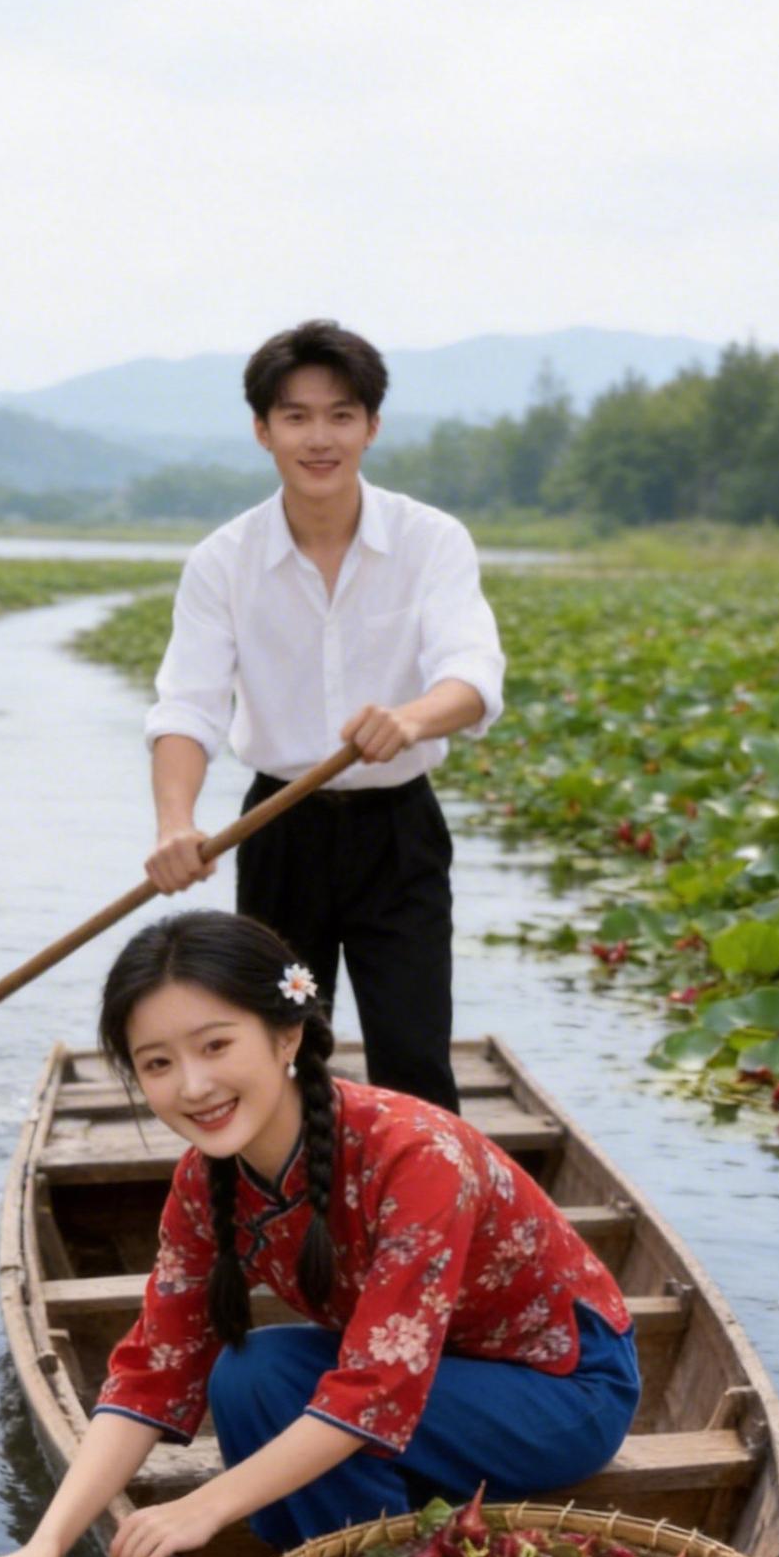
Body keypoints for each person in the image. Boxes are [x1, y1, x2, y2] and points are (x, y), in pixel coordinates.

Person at [0, 913, 640, 1557]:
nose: (193, 1085)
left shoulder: (417, 1154)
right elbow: (152, 1370)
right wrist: (46, 1543)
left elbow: (376, 1385)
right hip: (431, 1388)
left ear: (286, 1036)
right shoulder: (203, 1182)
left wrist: (206, 1504)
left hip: (560, 1390)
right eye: (157, 1064)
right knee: (249, 1372)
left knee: (290, 1391)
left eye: (216, 1045)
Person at [141, 318, 506, 1114]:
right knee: (284, 1053)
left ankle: (422, 1192)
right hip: (280, 832)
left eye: (341, 415)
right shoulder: (222, 561)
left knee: (413, 1052)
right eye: (296, 416)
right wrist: (175, 824)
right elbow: (189, 706)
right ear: (262, 430)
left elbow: (474, 674)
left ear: (371, 427)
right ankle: (290, 1195)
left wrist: (411, 719)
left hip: (398, 837)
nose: (319, 438)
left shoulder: (431, 541)